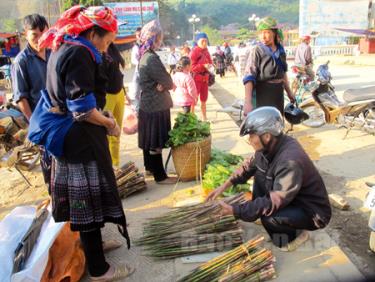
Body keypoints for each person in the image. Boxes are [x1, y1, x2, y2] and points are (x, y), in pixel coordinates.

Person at [28, 5, 133, 280]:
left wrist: (104, 114)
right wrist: (110, 124)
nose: (107, 47)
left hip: (75, 137)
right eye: (108, 40)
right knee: (85, 206)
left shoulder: (65, 44)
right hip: (77, 142)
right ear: (94, 32)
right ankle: (99, 268)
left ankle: (95, 248)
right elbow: (82, 110)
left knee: (90, 202)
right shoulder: (78, 52)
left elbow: (81, 100)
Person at [207, 107, 332, 251]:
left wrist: (235, 210)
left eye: (252, 135)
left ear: (266, 136)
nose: (250, 140)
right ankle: (284, 221)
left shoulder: (290, 161)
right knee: (260, 175)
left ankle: (297, 236)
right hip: (291, 198)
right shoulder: (268, 147)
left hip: (312, 212)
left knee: (269, 218)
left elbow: (273, 201)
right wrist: (224, 186)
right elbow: (248, 167)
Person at [11, 14, 52, 191]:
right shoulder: (21, 61)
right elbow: (21, 97)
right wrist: (34, 125)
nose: (40, 38)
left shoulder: (54, 52)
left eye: (43, 32)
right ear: (25, 34)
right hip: (42, 122)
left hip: (61, 119)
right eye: (34, 34)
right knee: (50, 168)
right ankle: (56, 205)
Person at [137, 19, 177, 185]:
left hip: (147, 104)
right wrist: (165, 84)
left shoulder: (144, 56)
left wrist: (163, 84)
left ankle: (150, 168)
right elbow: (168, 82)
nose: (161, 41)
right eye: (159, 38)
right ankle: (160, 175)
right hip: (156, 105)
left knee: (148, 140)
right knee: (155, 141)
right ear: (153, 39)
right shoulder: (151, 58)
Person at [243, 16, 295, 115]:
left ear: (274, 33)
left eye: (266, 32)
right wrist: (248, 102)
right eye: (260, 33)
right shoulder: (257, 50)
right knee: (264, 125)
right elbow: (249, 77)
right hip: (263, 93)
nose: (263, 36)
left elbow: (283, 73)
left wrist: (289, 92)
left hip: (278, 93)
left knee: (277, 123)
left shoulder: (281, 50)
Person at [103, 43, 126, 168]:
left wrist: (124, 91)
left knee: (117, 132)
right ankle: (108, 166)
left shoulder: (112, 47)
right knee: (108, 132)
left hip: (119, 93)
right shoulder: (97, 48)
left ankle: (116, 165)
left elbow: (117, 71)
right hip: (107, 96)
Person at [190, 32, 213, 121]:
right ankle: (191, 117)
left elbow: (210, 63)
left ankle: (204, 117)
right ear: (197, 41)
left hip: (205, 79)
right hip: (196, 79)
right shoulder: (194, 51)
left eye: (206, 41)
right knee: (194, 100)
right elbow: (191, 67)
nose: (204, 43)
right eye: (202, 41)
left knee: (204, 99)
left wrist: (210, 66)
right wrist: (203, 66)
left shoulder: (206, 51)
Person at [128, 27, 142, 111]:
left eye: (140, 34)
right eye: (138, 35)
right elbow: (133, 60)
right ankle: (137, 111)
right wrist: (141, 63)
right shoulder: (135, 47)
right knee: (136, 92)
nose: (139, 36)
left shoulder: (148, 45)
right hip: (139, 72)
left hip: (147, 72)